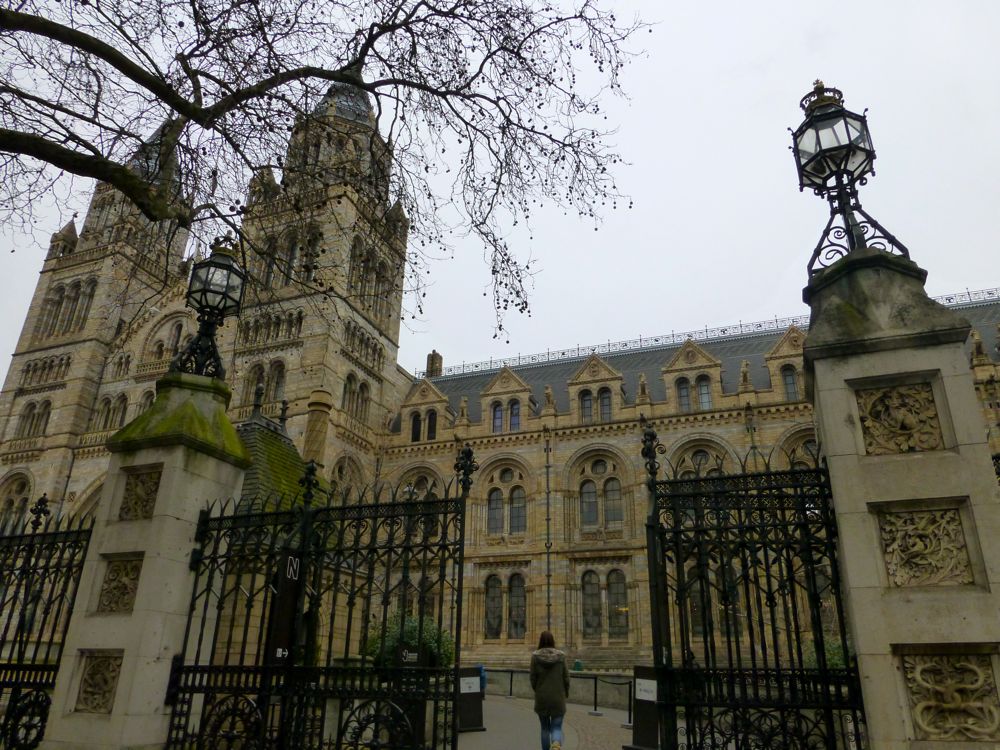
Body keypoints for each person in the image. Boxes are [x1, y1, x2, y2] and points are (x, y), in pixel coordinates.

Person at [530, 631, 570, 750]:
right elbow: (566, 677)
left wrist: (537, 690)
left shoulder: (535, 657)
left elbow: (532, 678)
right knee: (556, 727)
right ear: (553, 641)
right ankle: (556, 744)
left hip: (542, 697)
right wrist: (565, 692)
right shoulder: (561, 656)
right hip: (558, 697)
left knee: (545, 729)